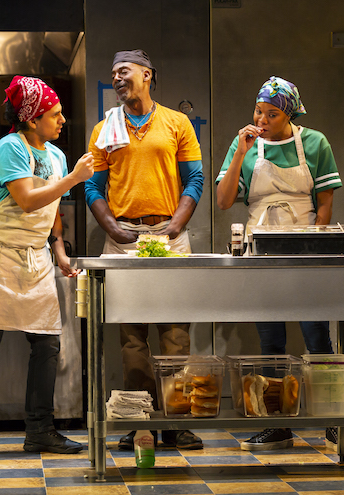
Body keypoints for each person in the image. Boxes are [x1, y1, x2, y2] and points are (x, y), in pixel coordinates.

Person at [0, 76, 95, 457]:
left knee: (47, 345)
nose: (62, 120)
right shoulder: (10, 147)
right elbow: (28, 200)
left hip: (36, 258)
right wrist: (75, 179)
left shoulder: (57, 156)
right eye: (55, 114)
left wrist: (59, 250)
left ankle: (40, 430)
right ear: (31, 119)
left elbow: (52, 210)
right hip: (0, 256)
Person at [216, 76, 344, 452]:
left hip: (305, 252)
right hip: (261, 253)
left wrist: (315, 248)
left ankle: (333, 423)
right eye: (258, 111)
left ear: (289, 115)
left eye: (271, 114)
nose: (261, 120)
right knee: (271, 341)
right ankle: (277, 424)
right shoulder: (244, 145)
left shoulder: (315, 143)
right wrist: (240, 153)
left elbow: (325, 205)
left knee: (317, 337)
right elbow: (224, 201)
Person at [84, 49, 205, 451]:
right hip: (123, 238)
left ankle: (175, 421)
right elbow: (92, 187)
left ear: (147, 75)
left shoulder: (177, 123)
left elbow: (194, 179)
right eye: (113, 73)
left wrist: (177, 223)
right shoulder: (105, 129)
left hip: (169, 235)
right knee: (131, 334)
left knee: (176, 332)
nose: (117, 78)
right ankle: (139, 421)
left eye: (124, 71)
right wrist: (111, 228)